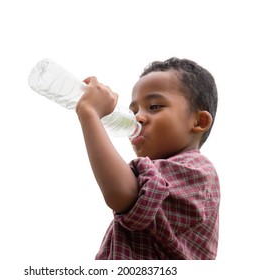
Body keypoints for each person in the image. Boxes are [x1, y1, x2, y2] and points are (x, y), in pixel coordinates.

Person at [75, 57, 220, 260]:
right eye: (133, 111)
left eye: (154, 106)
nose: (138, 118)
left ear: (199, 121)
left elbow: (122, 193)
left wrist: (90, 113)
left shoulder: (197, 170)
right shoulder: (151, 176)